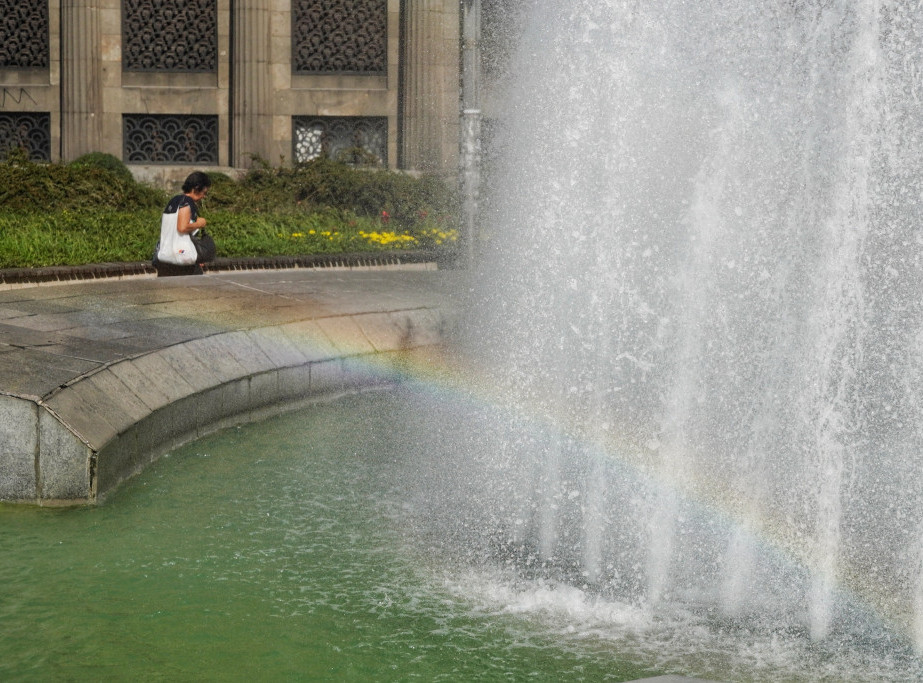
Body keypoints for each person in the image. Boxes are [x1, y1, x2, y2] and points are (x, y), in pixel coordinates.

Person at [153, 171, 216, 276]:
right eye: (204, 192)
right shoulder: (187, 202)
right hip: (181, 259)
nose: (204, 196)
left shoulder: (174, 200)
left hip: (165, 258)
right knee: (198, 284)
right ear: (196, 188)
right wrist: (200, 223)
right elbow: (182, 227)